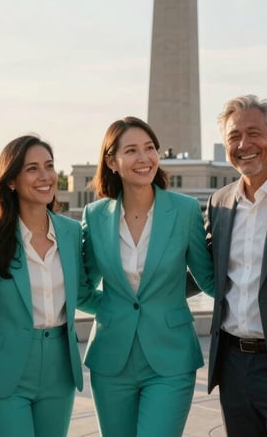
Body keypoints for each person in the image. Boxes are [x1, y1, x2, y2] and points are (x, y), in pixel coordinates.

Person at [81, 116, 214, 437]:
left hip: (172, 359)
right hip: (111, 361)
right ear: (112, 161)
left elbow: (208, 279)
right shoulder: (96, 215)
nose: (144, 158)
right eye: (132, 150)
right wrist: (114, 310)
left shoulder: (184, 210)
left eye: (150, 148)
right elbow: (81, 288)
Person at [0, 135, 96, 437]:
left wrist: (139, 306)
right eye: (32, 168)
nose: (45, 176)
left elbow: (84, 293)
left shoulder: (72, 231)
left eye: (49, 166)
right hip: (2, 370)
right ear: (11, 181)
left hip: (59, 369)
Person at [205, 94, 267, 436]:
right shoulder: (219, 203)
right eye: (234, 137)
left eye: (254, 133)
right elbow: (207, 270)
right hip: (232, 364)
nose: (244, 144)